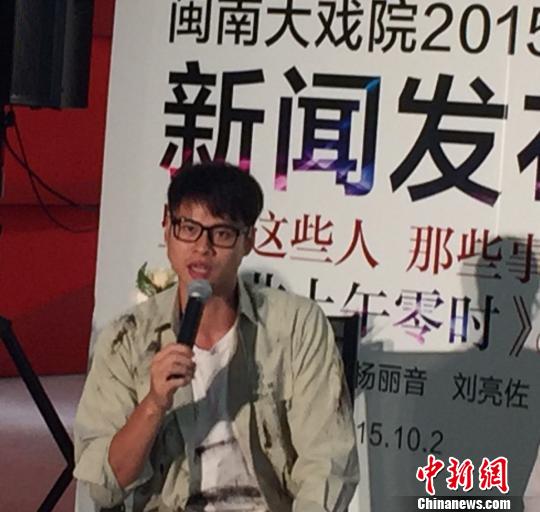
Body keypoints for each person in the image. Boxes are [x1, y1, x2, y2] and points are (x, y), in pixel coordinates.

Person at [74, 162, 359, 512]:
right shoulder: (128, 337)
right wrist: (154, 403)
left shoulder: (296, 324)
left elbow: (327, 462)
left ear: (248, 240)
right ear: (167, 228)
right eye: (188, 228)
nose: (202, 247)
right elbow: (104, 487)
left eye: (222, 233)